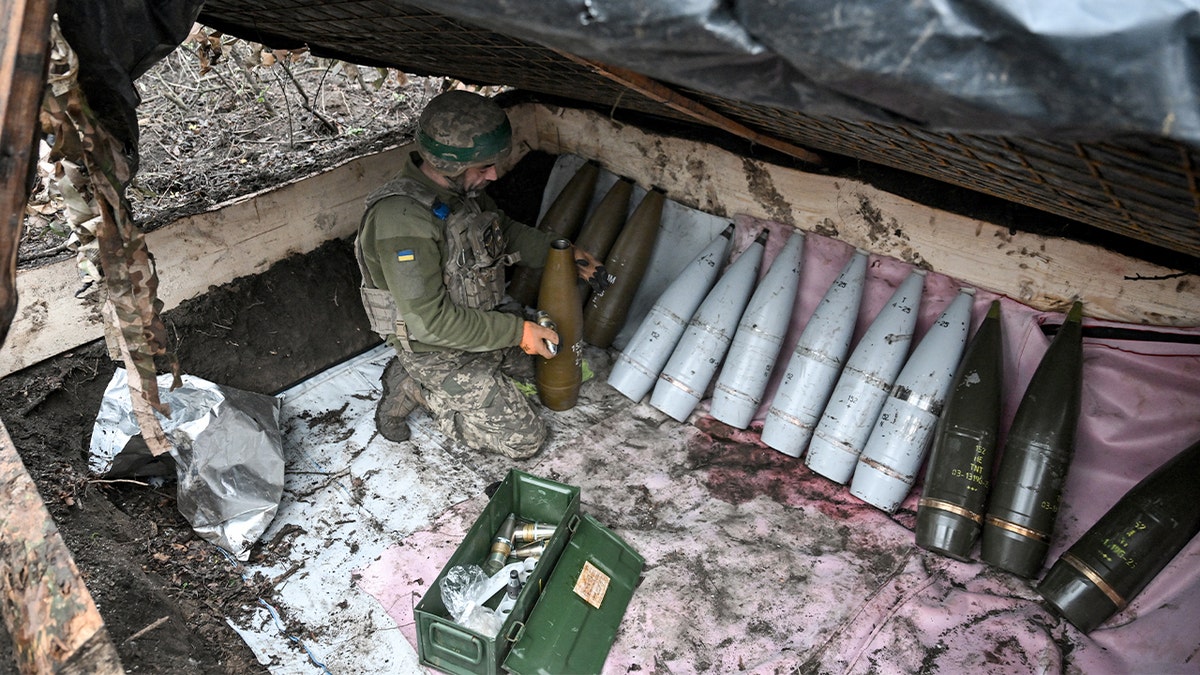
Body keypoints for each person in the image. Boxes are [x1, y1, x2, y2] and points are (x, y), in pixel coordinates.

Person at [355, 90, 604, 458]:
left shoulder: (460, 193)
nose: (494, 174)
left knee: (555, 362)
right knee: (524, 440)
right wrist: (518, 332)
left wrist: (561, 256)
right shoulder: (402, 223)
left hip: (480, 326)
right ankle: (415, 386)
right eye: (484, 167)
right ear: (448, 164)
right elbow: (430, 323)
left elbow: (503, 232)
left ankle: (463, 376)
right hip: (436, 350)